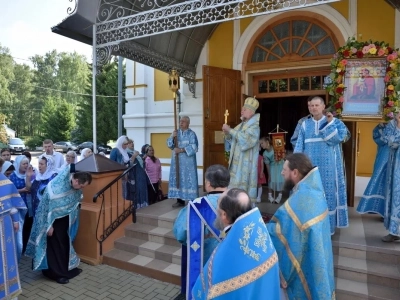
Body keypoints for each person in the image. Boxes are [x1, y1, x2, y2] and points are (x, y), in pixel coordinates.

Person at [267, 153, 335, 299]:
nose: (282, 172)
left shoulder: (300, 202)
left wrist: (260, 229)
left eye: (285, 169)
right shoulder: (315, 191)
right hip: (317, 259)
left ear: (295, 172)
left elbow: (284, 234)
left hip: (303, 267)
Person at [192, 188, 280, 300]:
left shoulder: (223, 256)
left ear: (224, 215)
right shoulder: (263, 237)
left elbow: (207, 292)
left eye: (217, 207)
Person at [25, 165, 92, 284]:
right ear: (76, 180)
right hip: (52, 224)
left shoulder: (75, 187)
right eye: (81, 185)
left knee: (63, 244)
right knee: (54, 247)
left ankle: (65, 269)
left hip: (64, 222)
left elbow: (75, 200)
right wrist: (49, 226)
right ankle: (55, 274)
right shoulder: (55, 188)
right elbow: (47, 209)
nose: (81, 188)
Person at [294, 96, 349, 234]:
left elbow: (339, 139)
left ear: (323, 106)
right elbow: (299, 145)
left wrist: (330, 124)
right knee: (310, 195)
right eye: (311, 106)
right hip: (310, 168)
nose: (314, 108)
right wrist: (296, 165)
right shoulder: (305, 124)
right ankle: (311, 228)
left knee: (328, 195)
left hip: (329, 168)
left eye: (317, 105)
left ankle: (327, 230)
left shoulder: (335, 122)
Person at [173, 164, 230, 298]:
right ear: (227, 182)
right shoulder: (241, 203)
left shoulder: (196, 206)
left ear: (208, 183)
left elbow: (180, 233)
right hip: (231, 264)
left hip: (206, 266)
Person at [222, 97, 260, 203]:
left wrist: (230, 130)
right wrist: (227, 134)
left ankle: (243, 210)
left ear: (251, 112)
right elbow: (233, 140)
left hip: (245, 166)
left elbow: (246, 141)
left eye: (244, 109)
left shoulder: (254, 127)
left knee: (243, 194)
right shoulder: (241, 125)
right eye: (242, 109)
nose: (241, 111)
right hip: (236, 164)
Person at [0, 159, 25, 299]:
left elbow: (13, 205)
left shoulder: (6, 182)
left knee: (8, 256)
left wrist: (16, 221)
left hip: (6, 224)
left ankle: (10, 291)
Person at [356, 123, 388, 217]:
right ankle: (378, 207)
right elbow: (379, 139)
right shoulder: (383, 126)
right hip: (385, 155)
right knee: (381, 178)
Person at [167, 116, 199, 208]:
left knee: (188, 179)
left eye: (183, 121)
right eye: (180, 121)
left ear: (188, 123)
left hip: (188, 163)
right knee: (178, 179)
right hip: (177, 162)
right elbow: (169, 145)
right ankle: (180, 201)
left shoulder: (191, 134)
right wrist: (172, 137)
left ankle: (192, 200)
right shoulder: (176, 133)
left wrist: (181, 150)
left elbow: (194, 147)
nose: (181, 123)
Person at [110, 135, 149, 208]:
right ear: (120, 143)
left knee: (125, 193)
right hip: (119, 176)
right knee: (120, 194)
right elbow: (111, 164)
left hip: (126, 176)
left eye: (127, 144)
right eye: (124, 144)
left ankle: (126, 208)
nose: (126, 146)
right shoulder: (115, 151)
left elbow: (129, 163)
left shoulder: (124, 152)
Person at [381, 113, 400, 242]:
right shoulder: (392, 124)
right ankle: (395, 232)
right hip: (396, 168)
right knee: (396, 197)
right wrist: (398, 125)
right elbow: (391, 142)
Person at [9, 155, 30, 258]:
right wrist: (22, 190)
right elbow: (9, 192)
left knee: (26, 227)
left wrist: (29, 178)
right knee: (18, 228)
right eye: (24, 163)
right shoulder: (13, 176)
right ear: (18, 164)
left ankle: (24, 249)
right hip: (16, 207)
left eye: (27, 163)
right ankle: (17, 248)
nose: (26, 165)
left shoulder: (30, 174)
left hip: (28, 205)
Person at [260, 136, 284, 204]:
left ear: (267, 142)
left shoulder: (275, 147)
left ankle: (279, 196)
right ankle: (270, 196)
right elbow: (267, 164)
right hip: (272, 167)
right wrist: (269, 174)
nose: (261, 145)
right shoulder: (265, 153)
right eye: (260, 144)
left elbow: (282, 154)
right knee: (271, 181)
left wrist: (279, 157)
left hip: (280, 165)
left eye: (262, 143)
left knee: (280, 181)